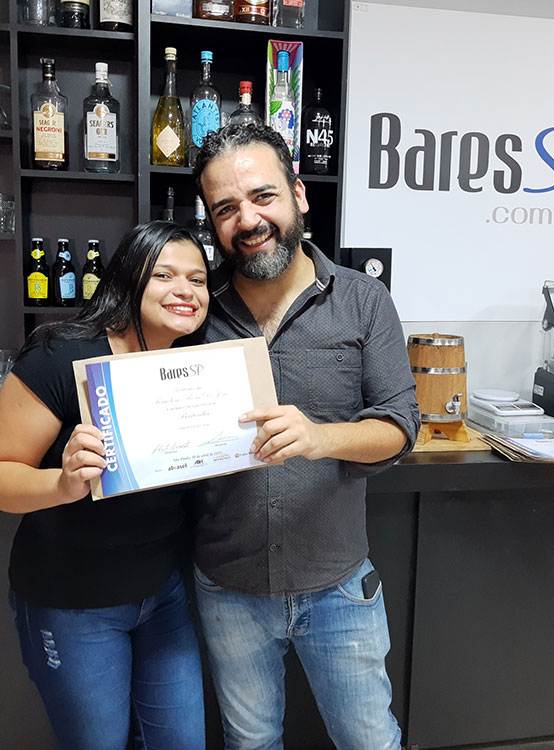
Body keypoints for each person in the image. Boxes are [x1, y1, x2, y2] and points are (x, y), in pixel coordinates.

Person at [191, 123, 421, 749]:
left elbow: (400, 426)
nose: (248, 220)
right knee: (250, 743)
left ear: (298, 194)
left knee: (370, 742)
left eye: (263, 196)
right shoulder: (194, 310)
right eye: (226, 209)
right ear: (212, 223)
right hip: (228, 586)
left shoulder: (364, 300)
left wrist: (320, 438)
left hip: (338, 584)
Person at [0, 221, 209, 750]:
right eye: (164, 275)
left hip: (162, 596)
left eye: (198, 279)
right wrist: (63, 483)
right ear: (127, 279)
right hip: (72, 601)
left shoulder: (197, 367)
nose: (185, 290)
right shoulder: (61, 356)